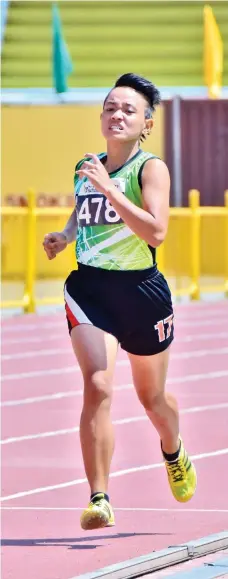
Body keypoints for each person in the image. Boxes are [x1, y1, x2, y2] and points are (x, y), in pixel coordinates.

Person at [43, 73, 197, 531]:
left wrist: (111, 190)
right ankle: (100, 498)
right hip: (90, 292)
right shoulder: (85, 166)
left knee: (152, 400)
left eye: (129, 109)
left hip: (142, 295)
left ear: (147, 123)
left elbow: (157, 232)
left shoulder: (150, 169)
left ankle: (173, 449)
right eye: (111, 107)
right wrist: (65, 235)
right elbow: (83, 208)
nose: (117, 114)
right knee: (99, 385)